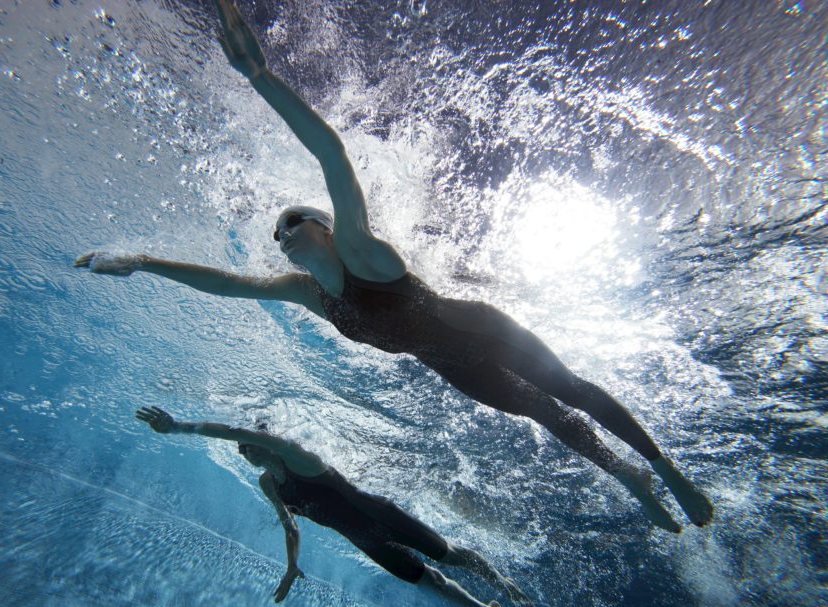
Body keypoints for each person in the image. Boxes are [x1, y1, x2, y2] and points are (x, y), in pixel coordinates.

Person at [76, 0, 713, 533]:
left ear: (321, 227)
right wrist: (144, 263)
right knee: (551, 418)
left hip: (483, 330)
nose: (281, 238)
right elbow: (226, 285)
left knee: (568, 390)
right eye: (274, 236)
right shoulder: (307, 293)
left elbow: (331, 155)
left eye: (290, 225)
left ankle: (667, 468)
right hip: (455, 367)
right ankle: (634, 482)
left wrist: (261, 78)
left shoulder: (358, 248)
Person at [135, 405, 538, 607]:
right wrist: (292, 566)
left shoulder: (297, 456)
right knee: (427, 579)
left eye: (248, 444)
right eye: (240, 449)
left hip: (380, 514)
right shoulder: (268, 485)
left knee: (448, 555)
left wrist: (178, 428)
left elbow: (243, 431)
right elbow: (290, 525)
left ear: (265, 442)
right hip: (364, 539)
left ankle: (506, 585)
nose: (243, 450)